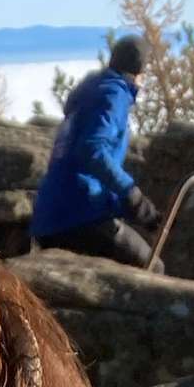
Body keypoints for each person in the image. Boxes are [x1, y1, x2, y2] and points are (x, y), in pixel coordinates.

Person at [31, 35, 162, 267]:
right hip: (78, 216)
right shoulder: (114, 94)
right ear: (139, 71)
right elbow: (92, 150)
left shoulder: (92, 92)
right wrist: (132, 195)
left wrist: (129, 207)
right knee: (152, 267)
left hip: (49, 216)